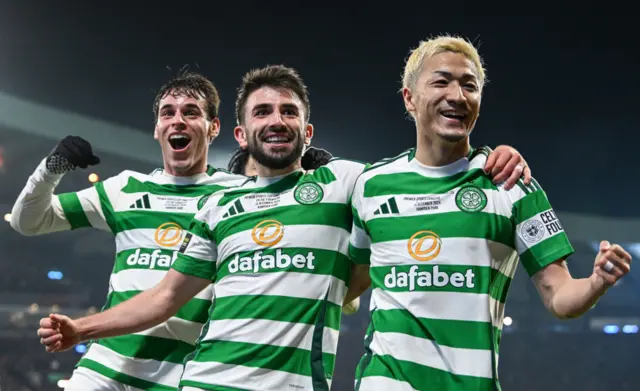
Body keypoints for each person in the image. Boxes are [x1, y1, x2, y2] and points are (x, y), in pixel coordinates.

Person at [37, 65, 532, 390]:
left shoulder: (347, 182)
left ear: (307, 130)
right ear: (241, 133)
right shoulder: (217, 204)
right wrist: (82, 327)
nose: (277, 120)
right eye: (263, 112)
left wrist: (490, 158)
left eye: (289, 111)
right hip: (204, 382)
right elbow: (165, 297)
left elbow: (423, 179)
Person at [346, 35, 632, 391]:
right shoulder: (371, 185)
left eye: (470, 85)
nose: (458, 95)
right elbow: (349, 284)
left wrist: (595, 283)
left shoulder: (512, 184)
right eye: (441, 81)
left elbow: (559, 296)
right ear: (410, 99)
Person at [12, 72, 248, 391]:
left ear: (213, 128)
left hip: (184, 374)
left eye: (191, 112)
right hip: (107, 365)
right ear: (157, 129)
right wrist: (51, 169)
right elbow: (28, 221)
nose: (177, 120)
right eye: (168, 113)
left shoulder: (238, 195)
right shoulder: (125, 189)